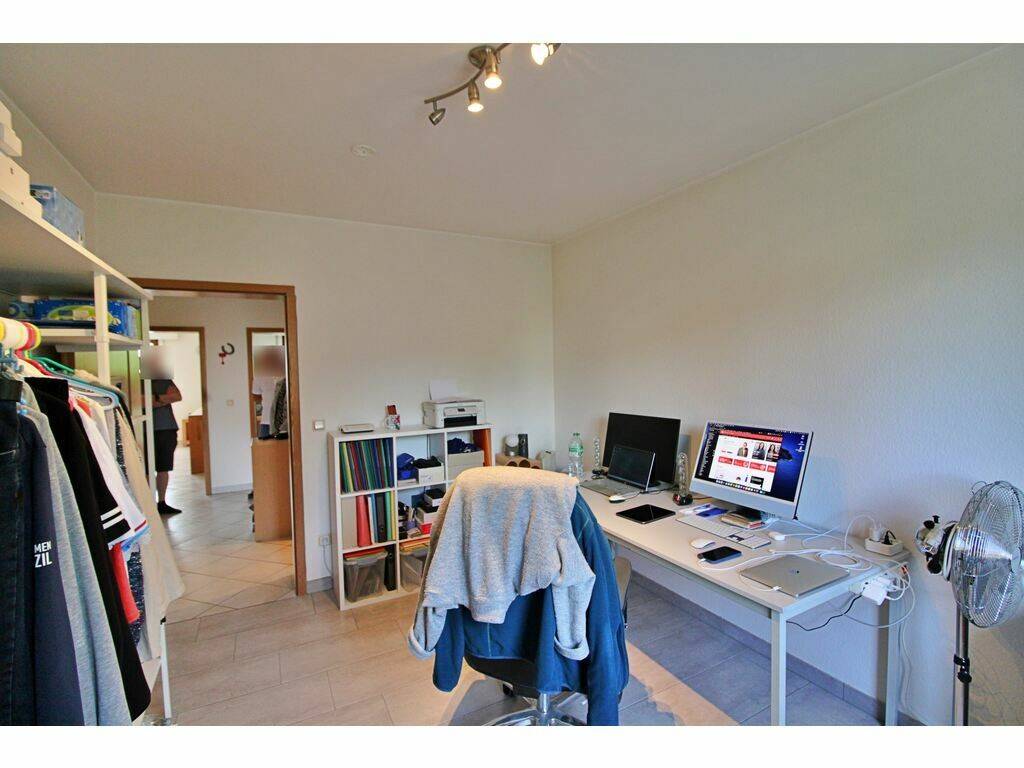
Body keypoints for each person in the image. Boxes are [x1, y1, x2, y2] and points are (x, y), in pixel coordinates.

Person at [150, 376, 183, 514]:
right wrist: (164, 398)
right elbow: (141, 401)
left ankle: (161, 502)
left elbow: (177, 396)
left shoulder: (163, 379)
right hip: (146, 429)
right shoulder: (136, 381)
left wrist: (156, 398)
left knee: (164, 468)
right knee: (146, 469)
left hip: (167, 429)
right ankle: (149, 504)